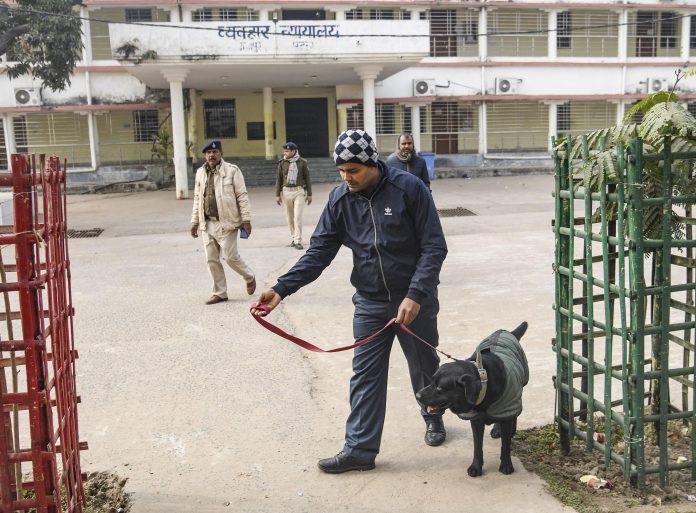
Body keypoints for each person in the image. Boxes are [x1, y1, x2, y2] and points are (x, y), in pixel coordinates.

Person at [252, 129, 448, 473]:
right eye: (342, 171)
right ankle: (359, 450)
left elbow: (434, 247)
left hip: (414, 302)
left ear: (372, 163)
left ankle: (433, 416)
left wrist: (416, 294)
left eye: (353, 170)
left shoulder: (409, 189)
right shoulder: (339, 200)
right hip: (370, 303)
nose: (346, 177)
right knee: (365, 376)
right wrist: (281, 289)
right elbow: (319, 252)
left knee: (424, 366)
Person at [190, 140, 256, 305]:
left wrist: (246, 219)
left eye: (215, 152)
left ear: (221, 153)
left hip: (227, 222)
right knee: (211, 259)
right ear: (205, 155)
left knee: (230, 257)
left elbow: (242, 196)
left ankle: (249, 276)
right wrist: (195, 221)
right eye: (208, 153)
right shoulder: (200, 173)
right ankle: (219, 292)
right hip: (207, 223)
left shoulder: (232, 171)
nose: (211, 155)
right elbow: (197, 198)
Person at [275, 142, 312, 250]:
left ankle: (297, 240)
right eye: (284, 151)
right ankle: (293, 237)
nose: (285, 153)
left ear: (293, 151)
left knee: (298, 216)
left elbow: (307, 179)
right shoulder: (282, 163)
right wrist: (277, 195)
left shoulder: (302, 162)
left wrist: (309, 194)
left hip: (299, 191)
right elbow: (279, 179)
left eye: (287, 151)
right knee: (290, 217)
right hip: (286, 192)